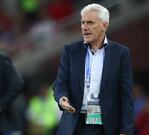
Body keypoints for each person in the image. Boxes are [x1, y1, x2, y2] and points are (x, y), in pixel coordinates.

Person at [53, 3, 134, 135]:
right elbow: (60, 84)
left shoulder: (121, 53)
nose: (84, 27)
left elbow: (126, 96)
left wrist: (125, 130)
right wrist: (62, 99)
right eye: (82, 22)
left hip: (106, 126)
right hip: (75, 124)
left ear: (105, 25)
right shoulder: (70, 51)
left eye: (90, 23)